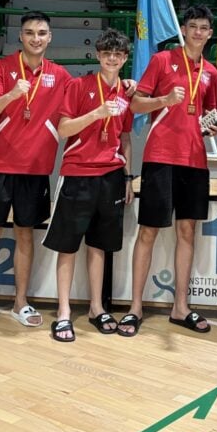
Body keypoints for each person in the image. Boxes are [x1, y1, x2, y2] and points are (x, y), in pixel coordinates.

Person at [0, 11, 72, 339]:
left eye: (41, 33)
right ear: (20, 37)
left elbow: (83, 100)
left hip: (36, 169)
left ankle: (20, 302)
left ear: (49, 37)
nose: (36, 38)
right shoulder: (0, 68)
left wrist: (127, 84)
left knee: (25, 234)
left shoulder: (62, 76)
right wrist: (12, 94)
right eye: (29, 32)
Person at [118, 5, 217, 337]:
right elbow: (135, 105)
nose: (198, 32)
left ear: (210, 33)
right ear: (184, 29)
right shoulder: (163, 61)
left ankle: (180, 307)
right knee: (148, 231)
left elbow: (206, 114)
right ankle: (135, 307)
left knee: (187, 232)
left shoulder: (211, 72)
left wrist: (211, 127)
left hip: (194, 160)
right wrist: (165, 100)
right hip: (160, 157)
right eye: (193, 26)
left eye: (204, 28)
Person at [42, 30, 135, 342]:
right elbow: (63, 128)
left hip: (110, 177)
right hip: (78, 172)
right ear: (98, 55)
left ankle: (96, 307)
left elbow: (124, 138)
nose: (112, 58)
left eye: (118, 54)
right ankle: (64, 311)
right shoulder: (78, 86)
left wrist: (127, 176)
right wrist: (96, 112)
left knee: (99, 244)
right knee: (68, 246)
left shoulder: (126, 93)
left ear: (124, 59)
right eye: (107, 53)